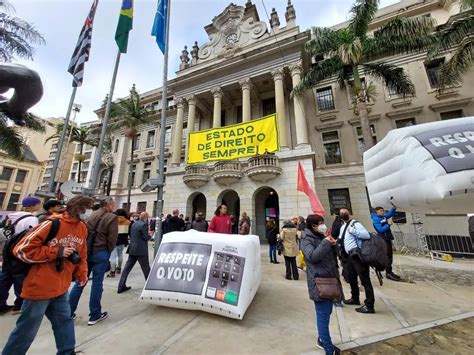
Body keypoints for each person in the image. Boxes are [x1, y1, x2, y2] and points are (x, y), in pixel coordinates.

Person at [2, 195, 93, 355]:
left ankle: (67, 352)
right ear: (79, 209)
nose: (90, 212)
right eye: (88, 208)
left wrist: (82, 272)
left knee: (64, 322)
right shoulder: (52, 224)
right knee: (27, 329)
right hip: (39, 287)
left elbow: (82, 253)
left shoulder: (82, 228)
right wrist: (56, 252)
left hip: (61, 287)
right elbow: (22, 249)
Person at [69, 197, 118, 325]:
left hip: (87, 251)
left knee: (81, 280)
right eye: (113, 204)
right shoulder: (111, 217)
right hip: (101, 251)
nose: (114, 206)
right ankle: (95, 314)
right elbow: (113, 238)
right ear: (109, 205)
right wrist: (108, 250)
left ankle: (68, 312)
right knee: (97, 283)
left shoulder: (90, 215)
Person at [302, 214, 340, 355]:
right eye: (321, 223)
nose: (323, 225)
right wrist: (325, 243)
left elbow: (331, 255)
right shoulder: (306, 239)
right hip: (319, 282)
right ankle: (329, 349)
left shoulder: (320, 236)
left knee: (327, 311)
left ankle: (322, 339)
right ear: (313, 225)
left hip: (329, 280)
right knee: (323, 315)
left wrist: (334, 245)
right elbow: (312, 256)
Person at [0, 196, 41, 315]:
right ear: (33, 206)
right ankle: (19, 304)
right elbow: (33, 236)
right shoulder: (32, 219)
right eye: (38, 204)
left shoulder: (11, 215)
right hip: (20, 251)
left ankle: (1, 304)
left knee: (5, 277)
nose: (40, 206)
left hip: (7, 251)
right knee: (20, 278)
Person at [338, 208, 375, 314]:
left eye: (345, 212)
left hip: (357, 256)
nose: (343, 214)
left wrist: (353, 231)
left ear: (350, 213)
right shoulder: (343, 226)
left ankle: (369, 305)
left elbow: (366, 235)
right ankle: (355, 298)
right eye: (341, 213)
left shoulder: (355, 224)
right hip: (348, 256)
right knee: (351, 278)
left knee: (364, 280)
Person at [117, 212, 151, 294]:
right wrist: (150, 235)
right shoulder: (144, 225)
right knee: (146, 269)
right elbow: (146, 237)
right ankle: (150, 286)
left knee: (126, 269)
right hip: (141, 250)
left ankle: (121, 286)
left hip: (132, 249)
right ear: (146, 218)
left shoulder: (134, 224)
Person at [371, 202, 401, 281]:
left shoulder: (383, 216)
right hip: (383, 240)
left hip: (387, 238)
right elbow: (380, 229)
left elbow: (389, 214)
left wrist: (393, 208)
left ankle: (389, 271)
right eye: (381, 211)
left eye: (383, 211)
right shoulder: (376, 220)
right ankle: (388, 273)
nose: (382, 212)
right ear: (376, 211)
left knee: (390, 256)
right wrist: (388, 225)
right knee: (387, 256)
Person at [107, 209, 130, 278]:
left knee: (113, 256)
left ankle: (112, 272)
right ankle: (119, 268)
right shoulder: (128, 222)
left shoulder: (113, 221)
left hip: (113, 241)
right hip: (123, 241)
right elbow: (128, 233)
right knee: (120, 255)